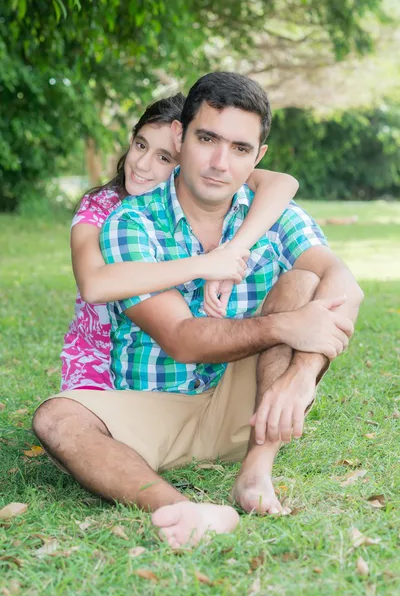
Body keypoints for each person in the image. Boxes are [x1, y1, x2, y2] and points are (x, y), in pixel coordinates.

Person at [33, 72, 363, 549]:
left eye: (240, 149)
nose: (219, 163)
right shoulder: (132, 221)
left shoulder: (274, 215)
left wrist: (300, 375)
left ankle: (255, 473)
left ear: (258, 157)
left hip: (249, 410)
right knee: (56, 419)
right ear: (181, 136)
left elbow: (344, 286)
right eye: (207, 138)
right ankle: (183, 510)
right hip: (155, 410)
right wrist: (285, 325)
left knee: (304, 282)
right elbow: (182, 338)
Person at [61, 93, 299, 392]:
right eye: (141, 145)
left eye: (164, 158)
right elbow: (95, 285)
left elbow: (283, 183)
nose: (143, 164)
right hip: (97, 356)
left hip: (156, 357)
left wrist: (236, 247)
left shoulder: (196, 189)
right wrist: (206, 265)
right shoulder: (100, 206)